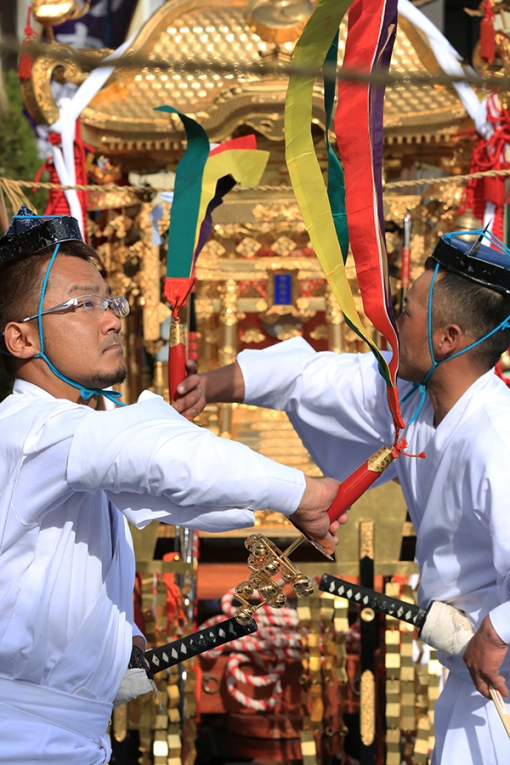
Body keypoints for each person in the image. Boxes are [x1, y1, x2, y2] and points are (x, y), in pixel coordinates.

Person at [0, 206, 342, 765]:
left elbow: (173, 493)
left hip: (65, 732)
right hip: (24, 738)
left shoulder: (76, 438)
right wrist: (301, 493)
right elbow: (159, 456)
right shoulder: (34, 431)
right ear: (20, 338)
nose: (111, 319)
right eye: (82, 305)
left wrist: (118, 636)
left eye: (110, 301)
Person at [176, 230, 510, 764]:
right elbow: (309, 378)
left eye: (406, 310)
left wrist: (498, 631)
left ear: (448, 338)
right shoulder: (414, 402)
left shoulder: (498, 438)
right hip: (472, 673)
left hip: (498, 671)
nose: (392, 323)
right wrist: (207, 388)